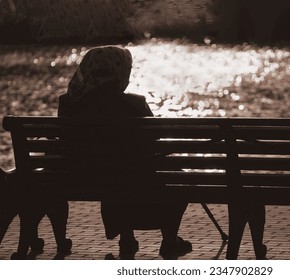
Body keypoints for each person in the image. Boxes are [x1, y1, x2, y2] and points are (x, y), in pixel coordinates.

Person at [58, 46, 192, 259]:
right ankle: (169, 240)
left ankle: (127, 238)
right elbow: (154, 142)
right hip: (131, 179)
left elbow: (65, 145)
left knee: (115, 173)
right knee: (170, 174)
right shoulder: (134, 104)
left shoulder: (68, 104)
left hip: (87, 177)